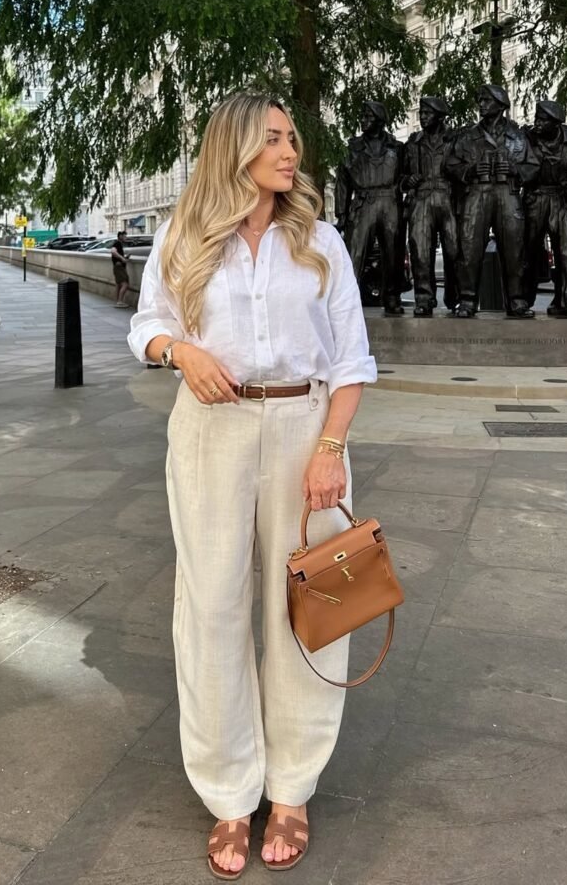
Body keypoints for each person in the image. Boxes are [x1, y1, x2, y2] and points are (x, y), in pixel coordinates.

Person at [128, 92, 377, 879]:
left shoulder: (320, 241)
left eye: (291, 137)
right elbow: (145, 325)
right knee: (212, 607)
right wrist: (179, 351)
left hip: (307, 426)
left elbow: (351, 360)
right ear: (233, 148)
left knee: (312, 605)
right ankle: (231, 794)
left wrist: (330, 448)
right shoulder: (182, 234)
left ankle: (292, 788)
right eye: (272, 138)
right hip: (212, 430)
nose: (289, 150)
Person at [446, 84, 539, 318]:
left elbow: (533, 166)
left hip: (508, 193)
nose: (481, 105)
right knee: (469, 247)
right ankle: (467, 300)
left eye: (486, 101)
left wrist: (515, 170)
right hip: (477, 194)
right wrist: (470, 170)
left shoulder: (517, 136)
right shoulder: (468, 136)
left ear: (500, 105)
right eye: (480, 100)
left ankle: (516, 301)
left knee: (514, 249)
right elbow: (451, 164)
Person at [334, 100, 405, 315]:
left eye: (368, 116)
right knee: (354, 255)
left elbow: (406, 175)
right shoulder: (351, 148)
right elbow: (342, 182)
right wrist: (342, 213)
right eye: (363, 116)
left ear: (380, 120)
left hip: (390, 202)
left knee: (393, 254)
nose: (363, 120)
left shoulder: (397, 147)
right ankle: (346, 302)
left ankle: (392, 297)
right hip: (363, 203)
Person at [524, 100, 567, 316]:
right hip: (536, 198)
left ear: (555, 123)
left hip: (564, 201)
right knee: (528, 251)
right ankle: (522, 300)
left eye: (542, 120)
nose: (537, 123)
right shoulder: (527, 139)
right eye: (536, 118)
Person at [402, 96, 459, 316]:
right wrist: (408, 181)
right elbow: (400, 176)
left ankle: (454, 297)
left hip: (448, 198)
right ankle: (424, 299)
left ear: (440, 116)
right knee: (420, 251)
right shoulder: (413, 143)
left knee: (454, 250)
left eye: (428, 113)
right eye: (421, 113)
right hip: (422, 199)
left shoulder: (454, 140)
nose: (423, 117)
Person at [111, 230, 130, 307]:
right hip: (119, 267)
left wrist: (124, 257)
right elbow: (113, 251)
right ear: (120, 236)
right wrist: (122, 258)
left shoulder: (119, 244)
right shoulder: (117, 243)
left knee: (119, 284)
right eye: (125, 236)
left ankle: (118, 301)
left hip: (118, 267)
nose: (126, 238)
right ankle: (120, 301)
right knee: (125, 284)